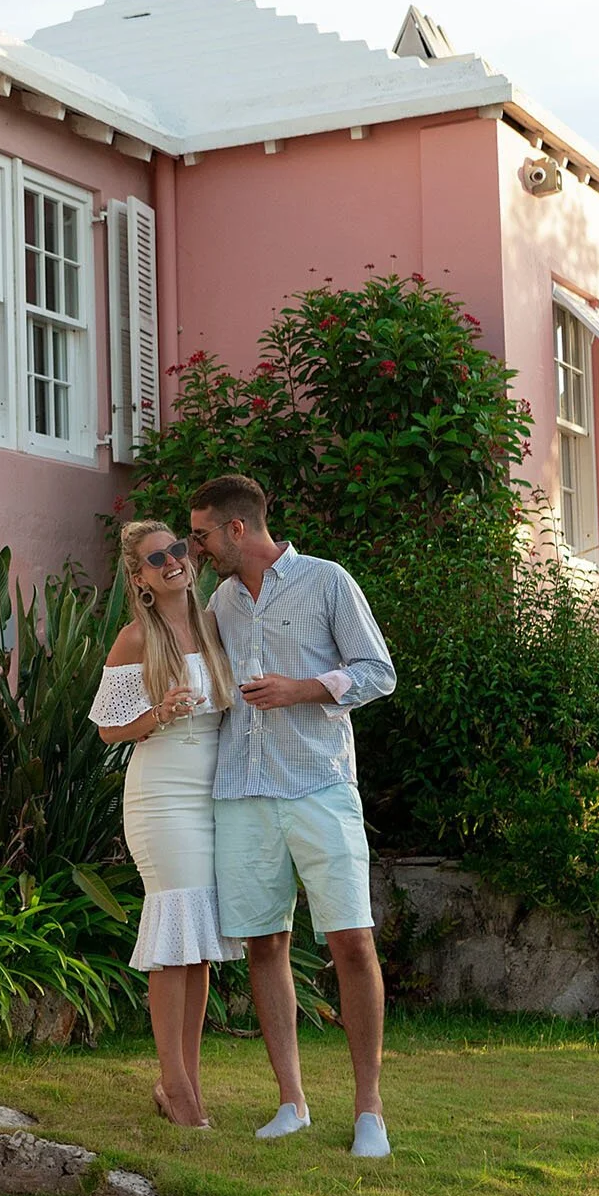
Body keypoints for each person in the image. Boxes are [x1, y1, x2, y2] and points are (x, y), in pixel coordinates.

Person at [188, 475, 398, 1160]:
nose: (199, 547)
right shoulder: (220, 599)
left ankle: (369, 1109)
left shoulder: (328, 582)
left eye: (203, 535)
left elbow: (378, 670)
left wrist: (302, 689)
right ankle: (292, 1101)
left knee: (353, 945)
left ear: (238, 530)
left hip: (319, 786)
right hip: (243, 790)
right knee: (263, 943)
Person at [88, 519, 241, 1129]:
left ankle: (186, 1080)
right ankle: (174, 1086)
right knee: (177, 936)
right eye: (158, 560)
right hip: (162, 798)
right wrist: (157, 711)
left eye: (179, 549)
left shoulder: (214, 625)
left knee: (198, 947)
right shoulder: (133, 639)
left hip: (212, 798)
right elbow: (107, 729)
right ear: (142, 579)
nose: (174, 561)